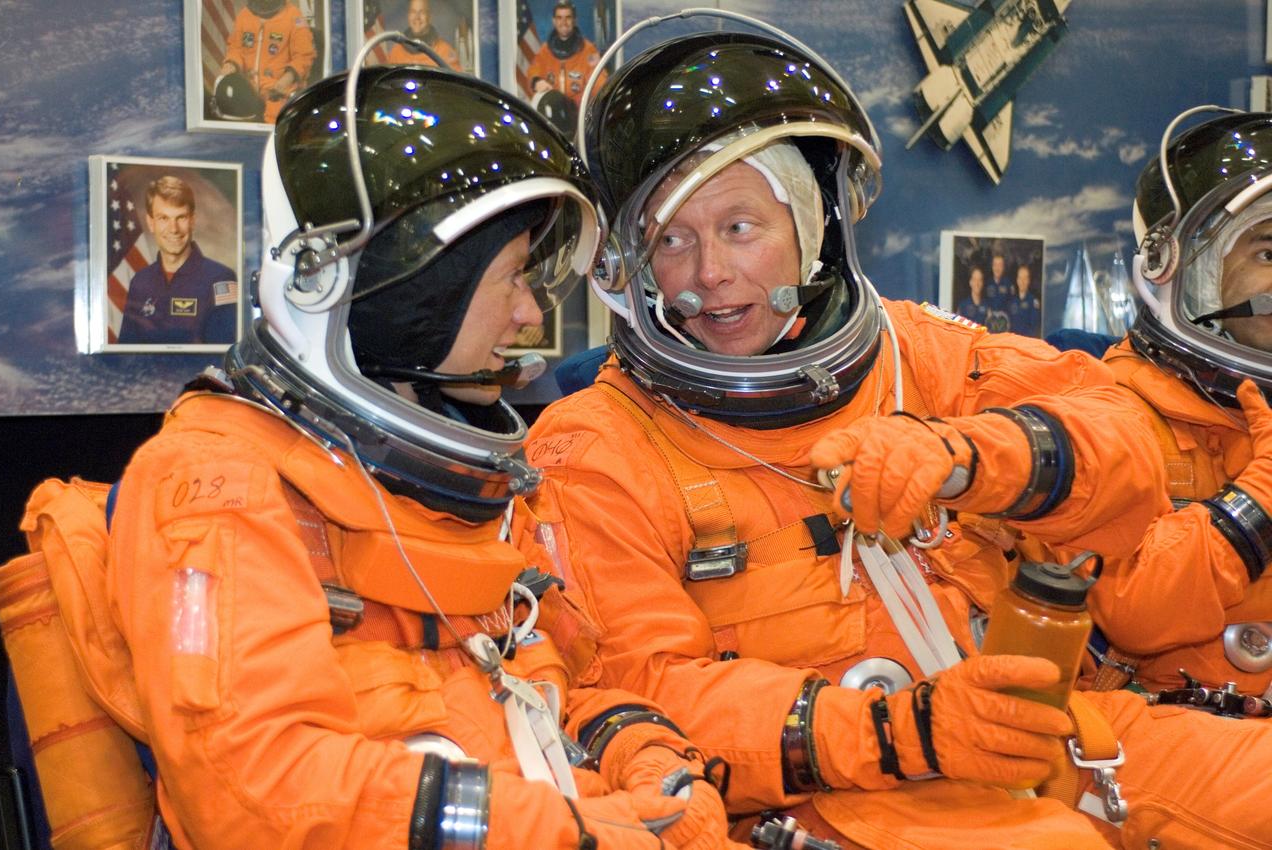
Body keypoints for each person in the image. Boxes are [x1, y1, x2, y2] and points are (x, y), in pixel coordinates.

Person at [525, 27, 1272, 849]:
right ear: (632, 266)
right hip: (820, 785)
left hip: (1040, 729)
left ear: (814, 229)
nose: (709, 272)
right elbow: (642, 685)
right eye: (672, 239)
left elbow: (1118, 432)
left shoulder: (924, 356)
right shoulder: (596, 444)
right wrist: (898, 731)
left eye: (740, 227)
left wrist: (974, 457)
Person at [98, 60, 739, 850]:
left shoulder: (474, 490)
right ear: (409, 298)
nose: (530, 314)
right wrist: (566, 831)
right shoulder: (215, 484)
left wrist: (659, 766)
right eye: (509, 279)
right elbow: (254, 787)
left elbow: (568, 674)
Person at [1082, 108, 1272, 702]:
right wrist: (1262, 496)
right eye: (1268, 253)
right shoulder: (1109, 415)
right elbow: (1137, 613)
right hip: (1164, 749)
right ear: (1177, 269)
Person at [118, 176, 237, 346]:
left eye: (181, 217)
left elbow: (223, 353)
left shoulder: (220, 279)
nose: (173, 229)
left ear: (192, 221)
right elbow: (127, 353)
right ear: (151, 223)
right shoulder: (140, 282)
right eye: (163, 218)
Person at [216, 0, 316, 123]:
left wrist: (287, 78)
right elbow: (236, 48)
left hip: (278, 96)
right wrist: (231, 63)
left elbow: (304, 56)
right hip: (247, 95)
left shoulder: (295, 18)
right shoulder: (245, 15)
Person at [525, 1, 606, 124]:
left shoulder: (588, 50)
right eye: (559, 18)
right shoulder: (545, 51)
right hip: (552, 118)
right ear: (554, 21)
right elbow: (533, 71)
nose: (564, 22)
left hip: (579, 118)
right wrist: (537, 81)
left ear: (574, 20)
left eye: (568, 17)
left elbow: (599, 81)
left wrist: (590, 106)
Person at [385, 0, 462, 71]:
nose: (417, 17)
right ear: (408, 16)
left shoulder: (445, 52)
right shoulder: (396, 52)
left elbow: (456, 83)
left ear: (429, 17)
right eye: (413, 12)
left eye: (422, 12)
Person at [1005, 264, 1042, 337]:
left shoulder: (1033, 302)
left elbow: (1034, 327)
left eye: (1025, 278)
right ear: (1017, 280)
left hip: (1026, 342)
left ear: (1029, 280)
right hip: (1012, 342)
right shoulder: (1011, 301)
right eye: (1020, 278)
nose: (1022, 281)